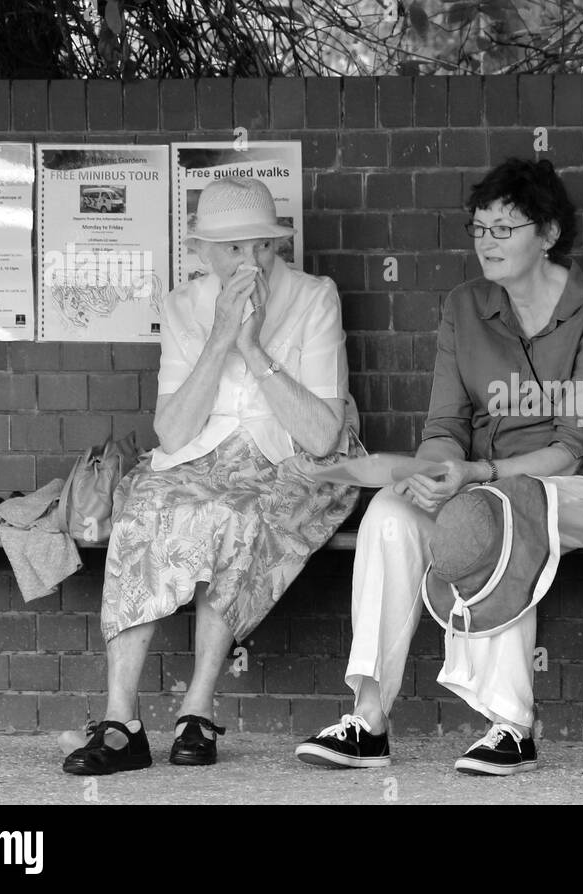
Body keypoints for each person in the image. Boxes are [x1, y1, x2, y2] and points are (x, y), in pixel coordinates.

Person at [294, 158, 583, 775]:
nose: (488, 242)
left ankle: (511, 725)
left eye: (506, 228)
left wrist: (475, 478)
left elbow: (572, 447)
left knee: (503, 511)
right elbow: (444, 430)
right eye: (480, 228)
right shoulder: (465, 306)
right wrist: (431, 474)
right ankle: (369, 719)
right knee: (389, 512)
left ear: (549, 234)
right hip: (485, 481)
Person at [63, 177, 362, 775]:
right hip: (197, 460)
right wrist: (221, 336)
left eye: (262, 247)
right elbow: (172, 432)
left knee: (237, 514)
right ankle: (121, 719)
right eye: (231, 249)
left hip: (294, 464)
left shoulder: (313, 297)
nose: (249, 262)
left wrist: (253, 350)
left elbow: (323, 434)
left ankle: (197, 708)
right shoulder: (180, 306)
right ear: (200, 251)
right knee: (145, 509)